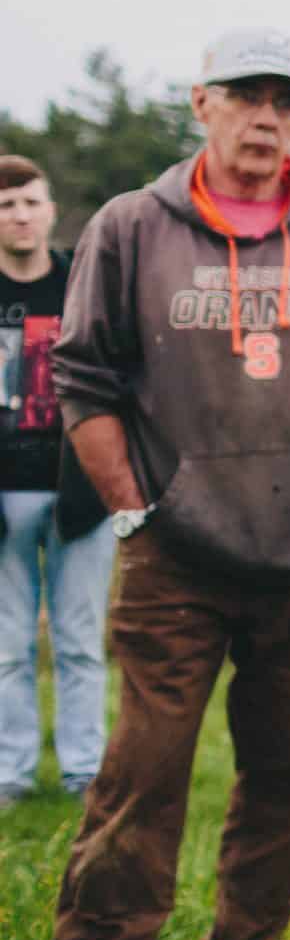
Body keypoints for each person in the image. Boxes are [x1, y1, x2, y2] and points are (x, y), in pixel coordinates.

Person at [29, 28, 290, 940]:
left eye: (287, 100)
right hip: (175, 555)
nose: (268, 117)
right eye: (247, 95)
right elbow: (85, 379)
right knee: (143, 772)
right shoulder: (130, 229)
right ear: (201, 102)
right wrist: (132, 505)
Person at [0, 156, 113, 806]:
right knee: (9, 642)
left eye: (29, 201)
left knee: (78, 639)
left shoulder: (83, 284)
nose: (19, 214)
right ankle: (12, 771)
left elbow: (121, 376)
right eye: (6, 204)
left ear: (49, 208)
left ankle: (85, 773)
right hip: (7, 492)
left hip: (80, 489)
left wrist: (104, 481)